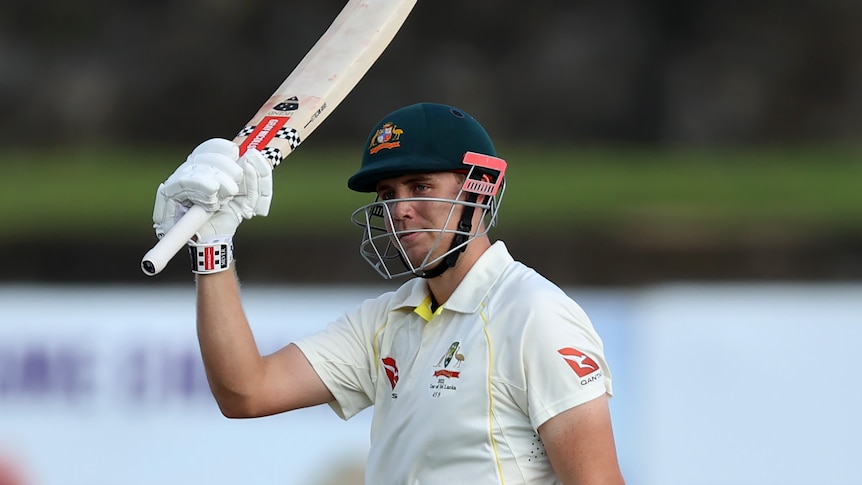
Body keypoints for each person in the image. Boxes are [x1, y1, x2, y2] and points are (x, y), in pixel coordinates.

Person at [152, 102, 625, 484]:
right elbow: (246, 393)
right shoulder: (386, 320)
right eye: (388, 193)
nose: (400, 209)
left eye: (420, 186)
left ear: (479, 192)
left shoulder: (533, 314)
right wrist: (213, 248)